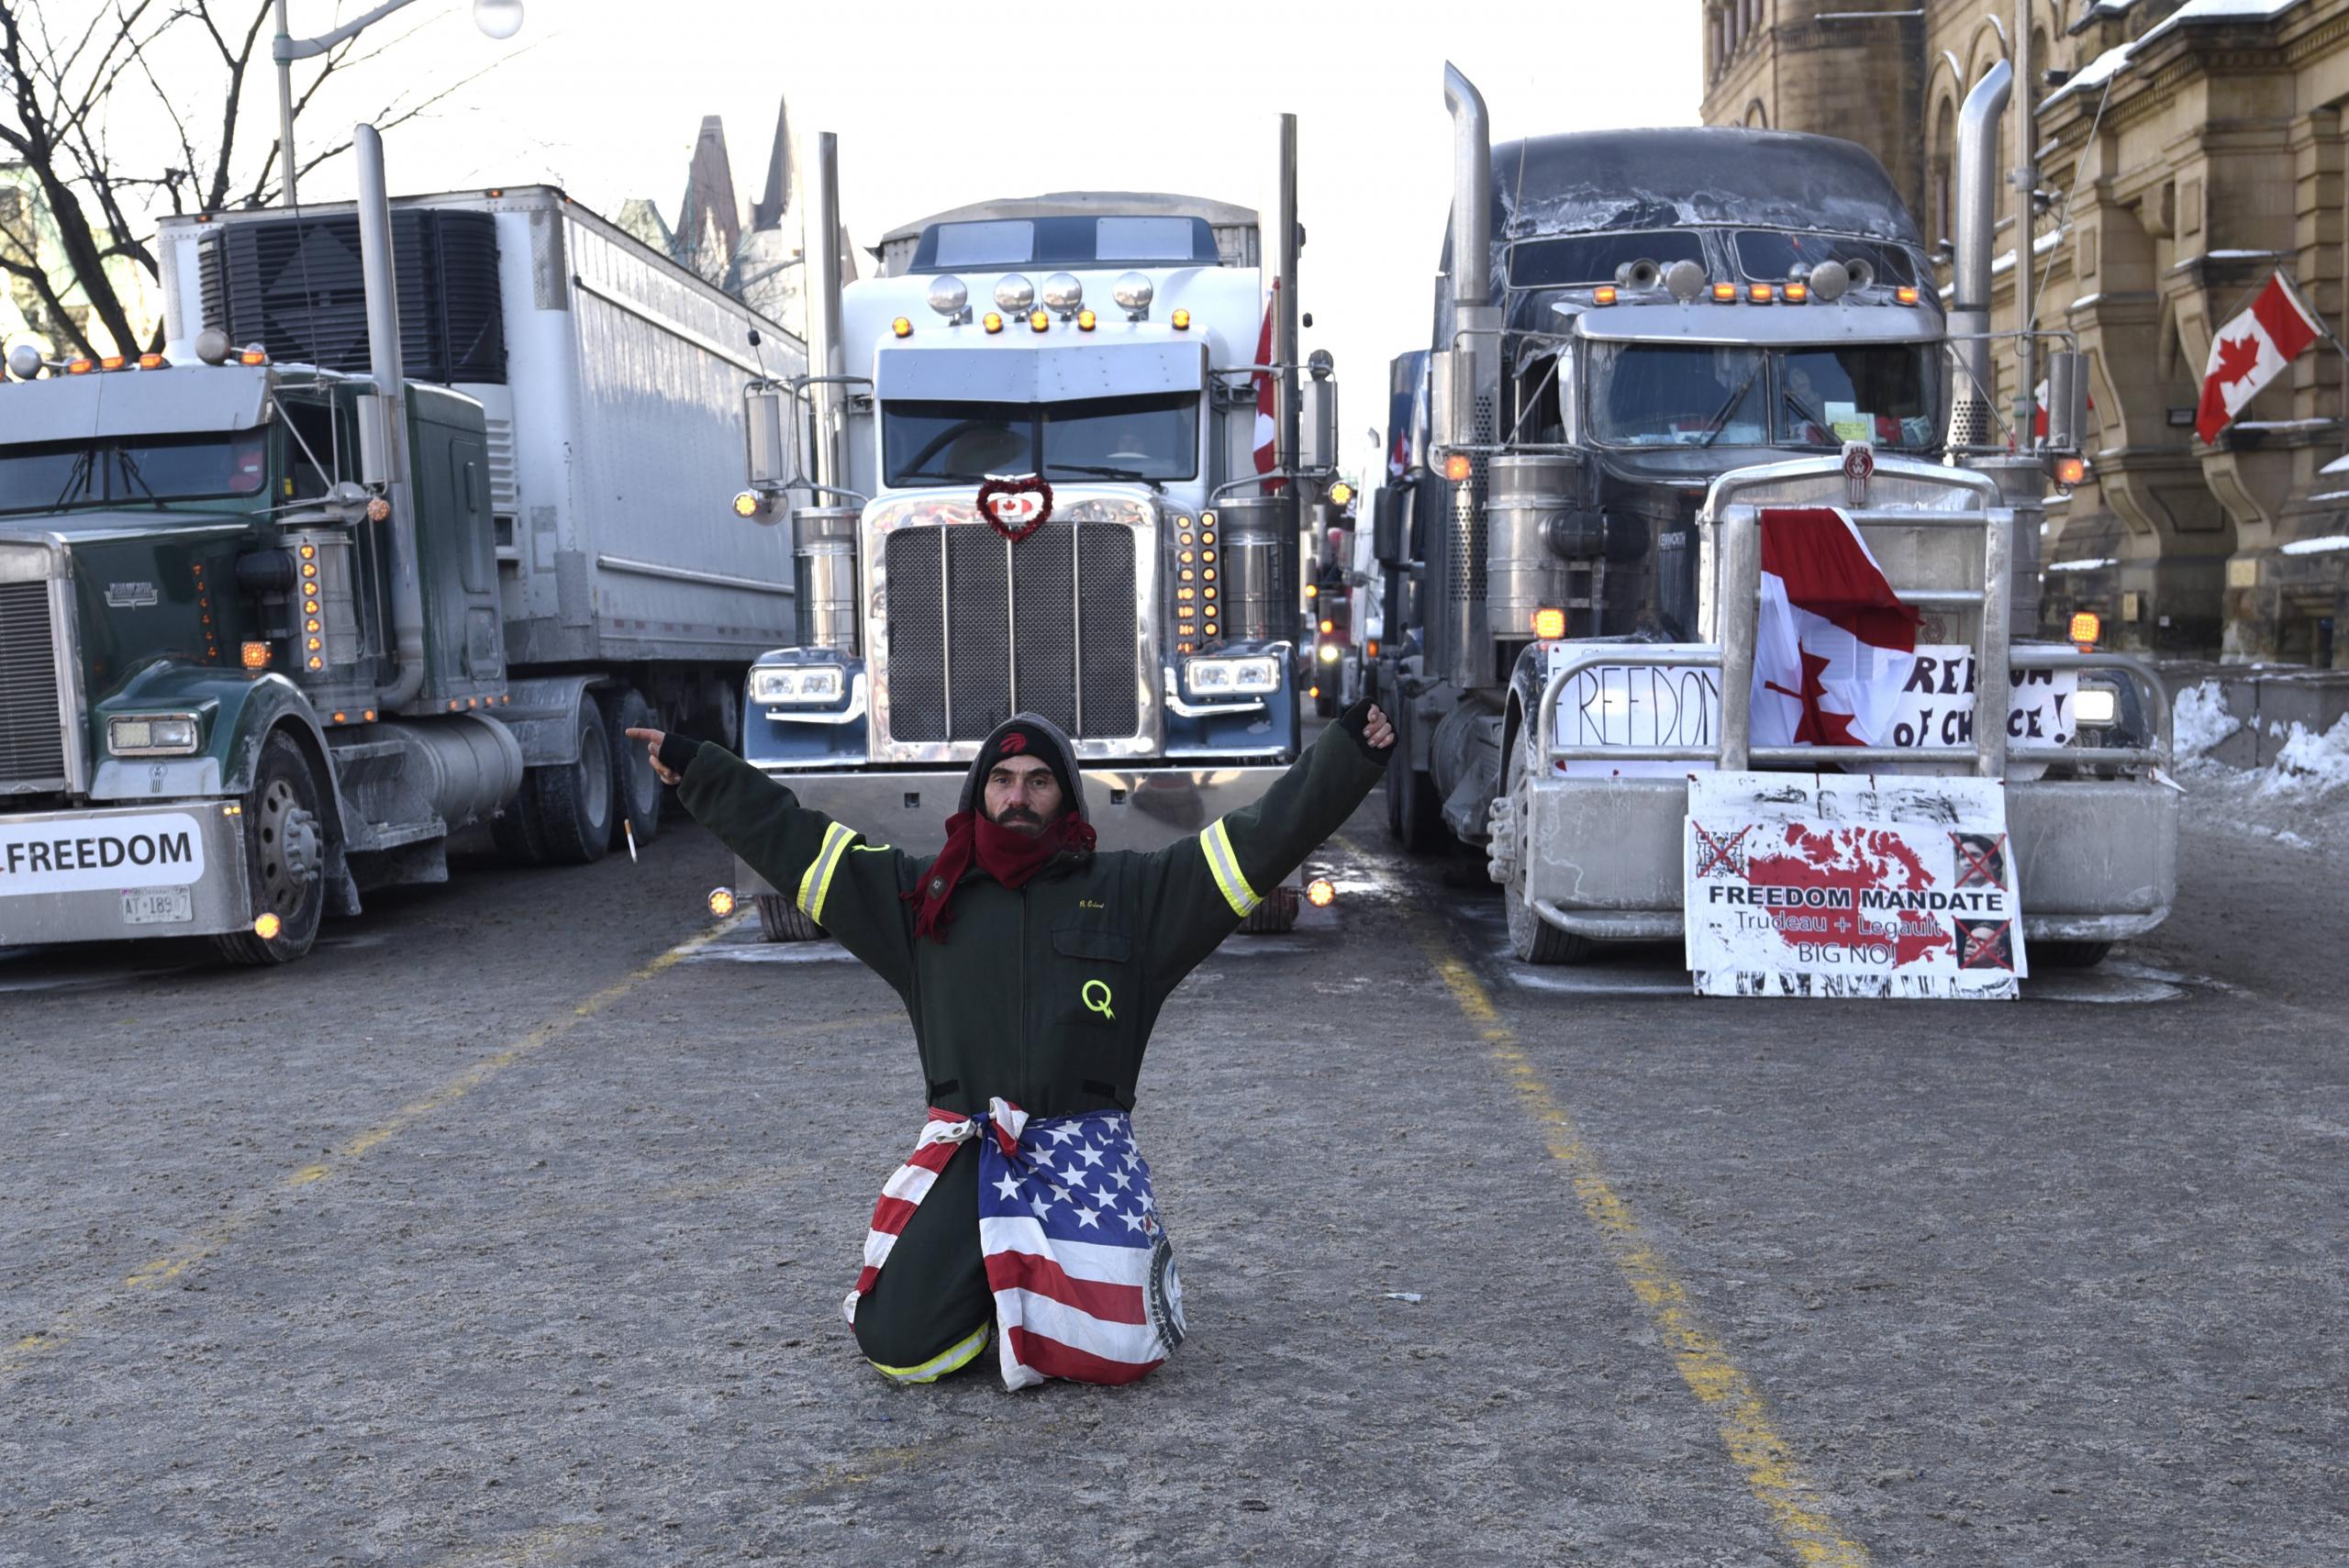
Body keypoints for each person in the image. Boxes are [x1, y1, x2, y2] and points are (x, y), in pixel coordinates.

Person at [626, 699, 1395, 1389]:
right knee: (900, 1347)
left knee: (1124, 1355)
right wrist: (700, 771)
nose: (1017, 796)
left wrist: (1347, 756)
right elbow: (799, 843)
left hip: (1081, 1160)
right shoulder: (926, 901)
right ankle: (998, 1295)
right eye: (1001, 779)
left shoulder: (1134, 895)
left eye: (1037, 780)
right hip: (973, 1154)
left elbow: (1257, 843)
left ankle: (1036, 1288)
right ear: (978, 792)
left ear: (1065, 796)